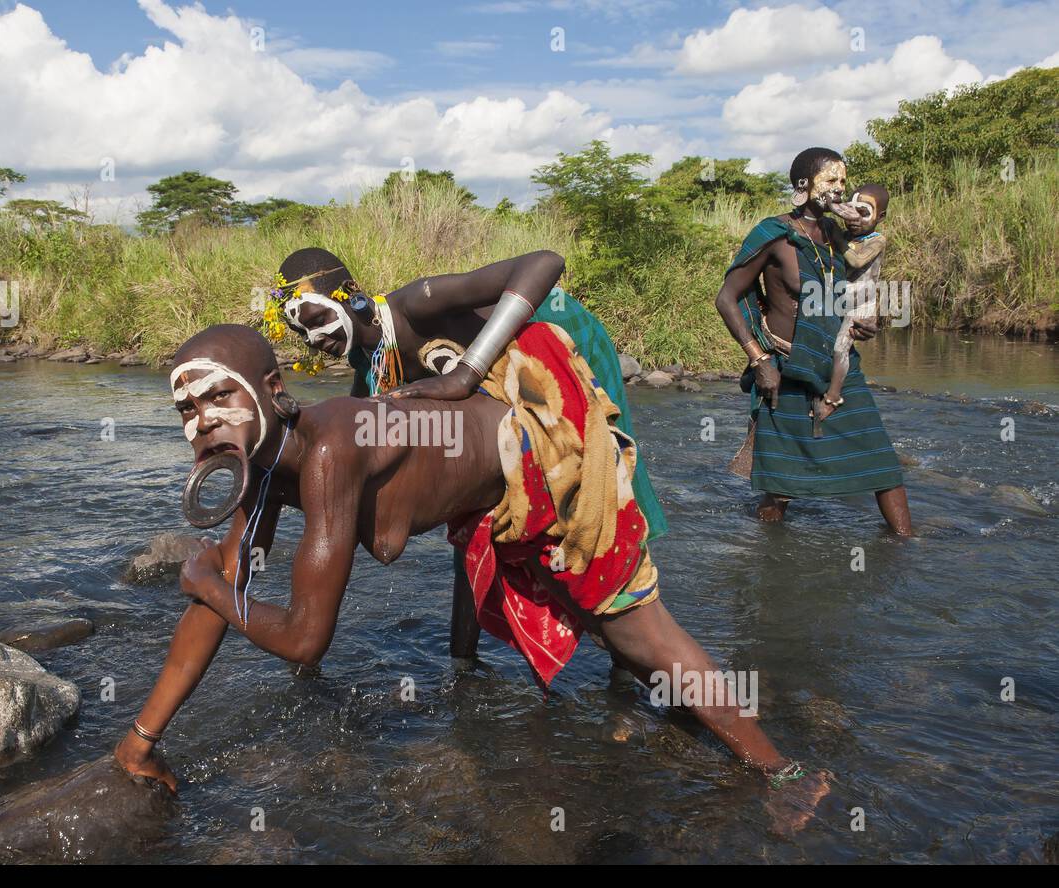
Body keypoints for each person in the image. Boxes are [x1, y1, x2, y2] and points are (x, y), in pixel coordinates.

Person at [113, 323, 829, 829]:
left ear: (272, 391)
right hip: (490, 491)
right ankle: (686, 723)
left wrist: (207, 582)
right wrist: (141, 739)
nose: (202, 421)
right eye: (186, 409)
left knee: (638, 629)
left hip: (546, 457)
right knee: (613, 635)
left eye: (217, 398)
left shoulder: (330, 451)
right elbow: (222, 589)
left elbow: (302, 638)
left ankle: (784, 771)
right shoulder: (266, 467)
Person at [264, 247, 670, 658]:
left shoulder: (417, 303)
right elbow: (354, 437)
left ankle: (634, 642)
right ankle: (463, 663)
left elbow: (544, 263)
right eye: (302, 334)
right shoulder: (369, 363)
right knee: (468, 515)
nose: (314, 338)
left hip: (559, 338)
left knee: (608, 481)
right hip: (500, 390)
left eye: (315, 320)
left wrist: (466, 372)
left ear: (351, 294)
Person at [714, 147, 911, 535]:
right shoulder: (774, 234)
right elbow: (727, 298)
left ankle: (909, 546)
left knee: (881, 462)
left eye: (843, 181)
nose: (840, 190)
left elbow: (851, 298)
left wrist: (868, 326)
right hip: (784, 367)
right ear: (803, 185)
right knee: (779, 482)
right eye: (831, 181)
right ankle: (769, 557)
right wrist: (759, 360)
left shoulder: (839, 238)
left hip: (838, 363)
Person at [819, 183, 890, 425]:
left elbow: (856, 260)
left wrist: (835, 234)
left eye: (864, 213)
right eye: (852, 210)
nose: (855, 219)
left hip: (861, 304)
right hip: (840, 298)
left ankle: (833, 397)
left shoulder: (877, 240)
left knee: (841, 347)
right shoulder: (848, 236)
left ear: (880, 216)